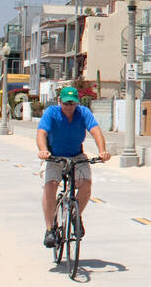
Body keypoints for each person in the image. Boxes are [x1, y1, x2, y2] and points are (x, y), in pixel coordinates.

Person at [37, 86, 110, 248]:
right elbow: (41, 132)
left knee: (86, 184)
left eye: (73, 103)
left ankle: (76, 215)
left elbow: (95, 131)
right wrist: (43, 150)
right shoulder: (51, 113)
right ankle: (49, 229)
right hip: (54, 156)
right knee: (51, 185)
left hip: (77, 155)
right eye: (66, 103)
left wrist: (102, 151)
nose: (69, 107)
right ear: (59, 101)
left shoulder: (83, 112)